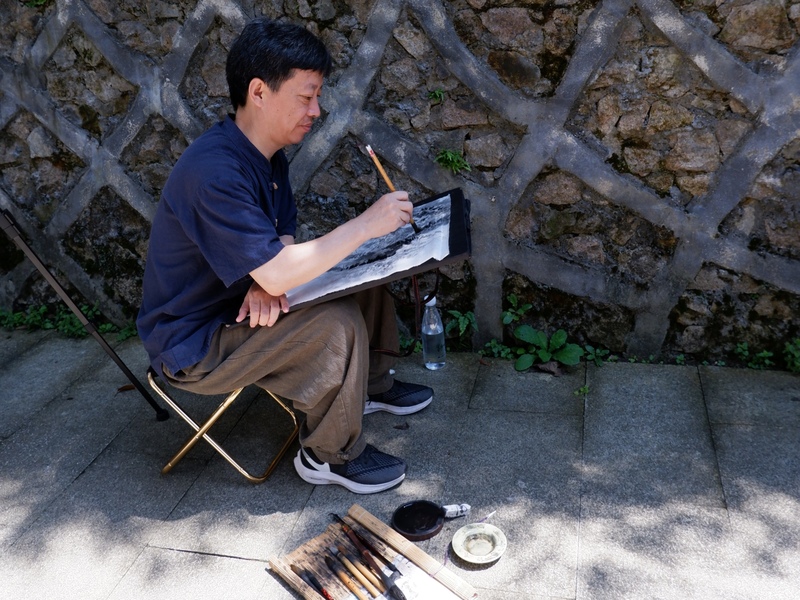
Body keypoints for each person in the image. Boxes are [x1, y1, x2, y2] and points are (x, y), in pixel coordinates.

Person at [136, 17, 433, 494]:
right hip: (196, 342)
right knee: (335, 321)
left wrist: (265, 281)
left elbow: (283, 235)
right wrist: (361, 225)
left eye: (317, 96)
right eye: (305, 96)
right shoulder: (214, 171)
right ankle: (328, 455)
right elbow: (278, 265)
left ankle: (370, 386)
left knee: (363, 265)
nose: (316, 110)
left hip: (239, 303)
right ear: (259, 91)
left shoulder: (266, 155)